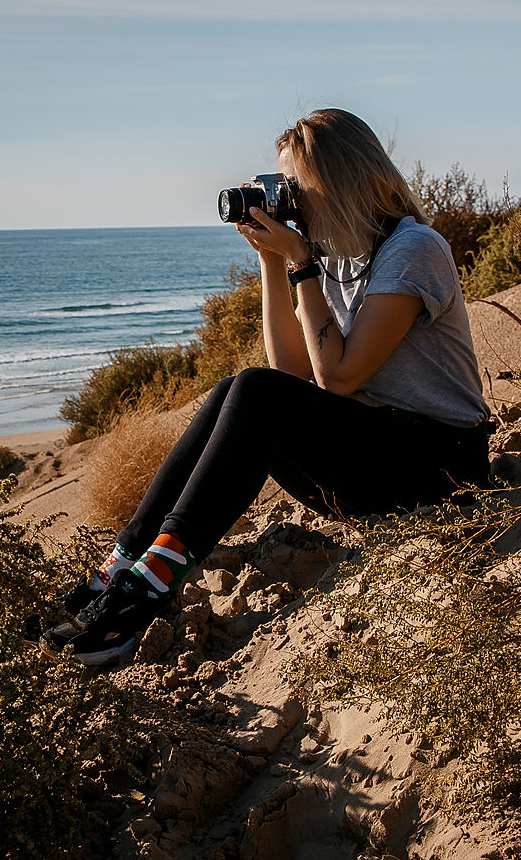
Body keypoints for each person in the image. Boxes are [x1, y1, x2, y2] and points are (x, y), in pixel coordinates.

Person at [45, 108, 495, 665]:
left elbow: (338, 376)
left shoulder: (412, 249)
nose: (288, 201)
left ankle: (151, 586)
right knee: (238, 387)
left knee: (255, 392)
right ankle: (124, 566)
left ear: (338, 179)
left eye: (294, 187)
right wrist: (272, 264)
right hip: (376, 456)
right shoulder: (340, 255)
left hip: (442, 467)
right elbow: (289, 373)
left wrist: (302, 262)